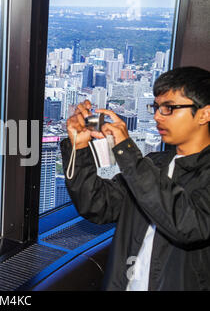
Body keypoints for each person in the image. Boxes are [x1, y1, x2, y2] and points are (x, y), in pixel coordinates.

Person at [60, 66, 210, 291]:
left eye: (169, 108)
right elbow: (98, 205)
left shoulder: (149, 169)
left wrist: (126, 150)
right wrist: (78, 146)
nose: (158, 116)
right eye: (157, 107)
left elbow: (189, 226)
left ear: (204, 114)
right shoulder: (155, 164)